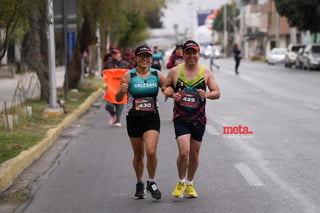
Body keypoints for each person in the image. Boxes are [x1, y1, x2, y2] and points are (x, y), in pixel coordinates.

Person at [163, 40, 220, 198]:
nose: (191, 56)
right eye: (188, 53)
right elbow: (165, 87)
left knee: (194, 154)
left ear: (198, 54)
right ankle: (180, 182)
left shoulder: (206, 73)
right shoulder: (175, 72)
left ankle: (190, 182)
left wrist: (207, 94)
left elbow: (217, 92)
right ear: (183, 54)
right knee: (184, 152)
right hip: (180, 117)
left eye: (194, 53)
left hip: (199, 119)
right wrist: (170, 92)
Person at [115, 45, 170, 200]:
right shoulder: (128, 76)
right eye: (142, 56)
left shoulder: (156, 74)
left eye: (148, 56)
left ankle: (151, 182)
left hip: (152, 118)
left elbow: (168, 88)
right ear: (136, 58)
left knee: (151, 151)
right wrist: (122, 90)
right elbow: (118, 98)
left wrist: (168, 91)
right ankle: (139, 182)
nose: (145, 59)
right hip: (133, 118)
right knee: (138, 154)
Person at [103, 48, 129, 127]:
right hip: (110, 87)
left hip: (120, 87)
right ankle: (113, 115)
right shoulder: (108, 63)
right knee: (108, 105)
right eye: (113, 54)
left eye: (116, 53)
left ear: (119, 54)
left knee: (120, 104)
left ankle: (118, 120)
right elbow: (103, 72)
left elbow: (128, 74)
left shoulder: (125, 64)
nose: (115, 55)